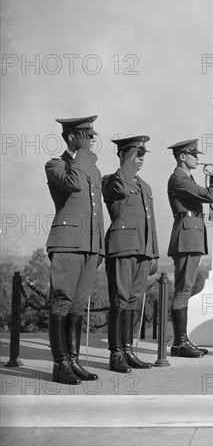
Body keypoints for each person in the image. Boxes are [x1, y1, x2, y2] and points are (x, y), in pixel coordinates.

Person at [45, 115, 105, 385]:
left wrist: (99, 247)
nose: (92, 140)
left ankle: (74, 360)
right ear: (71, 137)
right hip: (67, 242)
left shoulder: (92, 168)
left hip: (90, 245)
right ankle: (61, 365)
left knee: (78, 306)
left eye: (92, 136)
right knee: (62, 302)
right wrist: (82, 155)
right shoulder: (56, 164)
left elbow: (97, 211)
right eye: (86, 135)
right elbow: (73, 184)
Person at [166, 139, 213, 358]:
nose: (197, 158)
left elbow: (212, 199)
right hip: (186, 237)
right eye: (193, 154)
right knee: (183, 290)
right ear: (182, 157)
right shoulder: (179, 178)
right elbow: (207, 196)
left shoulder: (187, 177)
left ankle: (182, 341)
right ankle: (180, 343)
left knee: (185, 289)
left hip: (192, 235)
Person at [102, 136, 159, 373]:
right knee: (121, 299)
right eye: (135, 154)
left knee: (134, 300)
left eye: (142, 154)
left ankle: (127, 349)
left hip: (142, 250)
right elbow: (120, 189)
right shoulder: (111, 181)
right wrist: (127, 166)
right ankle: (116, 354)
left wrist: (153, 252)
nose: (140, 159)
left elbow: (151, 223)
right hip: (122, 247)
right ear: (123, 156)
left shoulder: (145, 186)